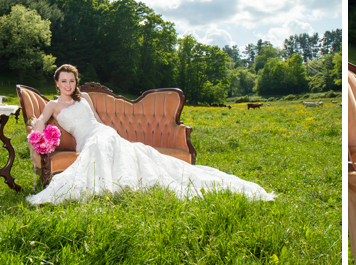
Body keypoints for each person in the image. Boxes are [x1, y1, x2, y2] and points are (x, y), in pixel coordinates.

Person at [27, 64, 276, 205]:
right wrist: (37, 127)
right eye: (64, 81)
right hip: (86, 139)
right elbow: (38, 128)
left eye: (72, 81)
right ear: (57, 83)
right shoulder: (53, 105)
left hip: (102, 132)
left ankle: (116, 186)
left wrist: (105, 130)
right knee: (100, 147)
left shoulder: (86, 98)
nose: (68, 85)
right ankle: (110, 187)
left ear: (75, 82)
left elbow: (98, 121)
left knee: (118, 144)